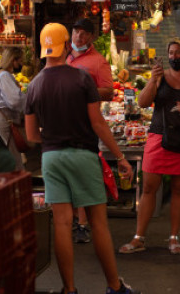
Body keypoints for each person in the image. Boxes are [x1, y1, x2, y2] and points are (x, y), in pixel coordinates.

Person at [24, 23, 138, 294]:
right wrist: (121, 157)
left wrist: (55, 136)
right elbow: (98, 123)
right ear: (65, 45)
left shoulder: (34, 85)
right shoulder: (82, 78)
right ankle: (114, 287)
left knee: (62, 223)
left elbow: (31, 135)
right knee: (97, 222)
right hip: (83, 155)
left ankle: (69, 289)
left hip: (51, 158)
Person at [119, 37, 180, 255]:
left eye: (178, 53)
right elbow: (142, 103)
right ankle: (138, 237)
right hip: (158, 138)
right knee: (149, 188)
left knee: (179, 189)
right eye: (170, 53)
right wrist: (153, 80)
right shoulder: (159, 78)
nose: (173, 57)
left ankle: (174, 238)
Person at [67, 17, 115, 244]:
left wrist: (83, 89)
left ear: (91, 37)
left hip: (86, 125)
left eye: (84, 33)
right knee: (67, 176)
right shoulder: (63, 57)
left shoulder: (98, 61)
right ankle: (73, 220)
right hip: (64, 124)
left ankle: (84, 224)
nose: (79, 36)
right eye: (76, 31)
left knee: (82, 177)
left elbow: (108, 92)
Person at [0, 47, 29, 170]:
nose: (21, 64)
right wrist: (28, 98)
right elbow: (15, 101)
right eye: (20, 60)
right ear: (13, 60)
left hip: (3, 121)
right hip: (7, 124)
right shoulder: (5, 76)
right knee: (13, 162)